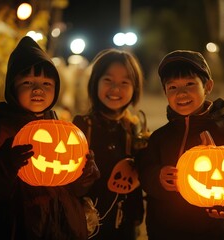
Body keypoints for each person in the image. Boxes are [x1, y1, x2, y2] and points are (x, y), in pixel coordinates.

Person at [0, 36, 100, 240]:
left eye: (46, 83)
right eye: (28, 82)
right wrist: (6, 164)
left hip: (65, 228)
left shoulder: (65, 130)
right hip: (18, 228)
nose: (38, 89)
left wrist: (86, 173)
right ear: (12, 87)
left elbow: (75, 188)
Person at [137, 50, 224, 240]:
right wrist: (157, 176)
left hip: (212, 231)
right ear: (165, 93)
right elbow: (145, 171)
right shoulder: (160, 137)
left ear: (208, 86)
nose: (181, 93)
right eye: (172, 87)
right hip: (165, 229)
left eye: (190, 84)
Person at [72, 48, 148, 240]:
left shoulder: (134, 128)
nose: (115, 89)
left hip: (125, 223)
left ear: (135, 88)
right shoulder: (81, 127)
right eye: (108, 80)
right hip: (88, 225)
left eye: (125, 82)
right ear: (95, 82)